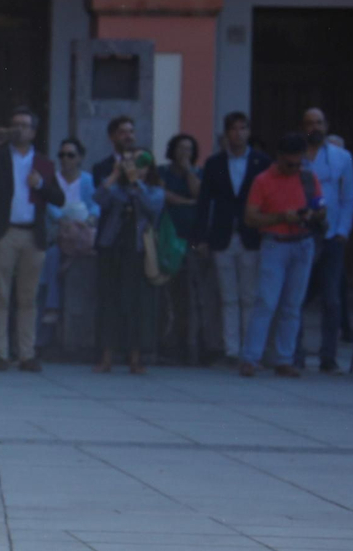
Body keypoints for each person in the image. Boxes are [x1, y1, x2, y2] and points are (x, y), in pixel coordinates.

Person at [0, 107, 65, 371]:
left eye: (24, 125)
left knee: (28, 297)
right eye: (15, 124)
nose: (19, 128)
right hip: (5, 232)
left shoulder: (43, 163)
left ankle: (26, 353)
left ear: (33, 132)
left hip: (33, 234)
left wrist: (41, 185)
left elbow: (59, 198)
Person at [241, 133, 325, 377]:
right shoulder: (263, 180)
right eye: (290, 164)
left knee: (293, 305)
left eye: (299, 164)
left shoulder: (308, 178)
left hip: (302, 243)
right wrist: (280, 217)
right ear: (279, 159)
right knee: (266, 301)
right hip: (275, 243)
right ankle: (251, 357)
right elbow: (250, 217)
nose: (295, 168)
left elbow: (321, 208)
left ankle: (284, 358)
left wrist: (312, 215)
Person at [195, 112, 269, 365]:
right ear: (226, 133)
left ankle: (250, 349)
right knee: (228, 298)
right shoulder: (215, 163)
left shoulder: (261, 162)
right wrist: (200, 239)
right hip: (223, 235)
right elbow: (204, 203)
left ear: (249, 132)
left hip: (250, 234)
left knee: (249, 296)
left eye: (243, 128)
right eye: (234, 129)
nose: (238, 133)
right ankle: (231, 350)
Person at [93, 149, 165, 374]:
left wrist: (137, 184)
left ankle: (135, 357)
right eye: (134, 162)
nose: (138, 167)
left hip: (137, 251)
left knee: (135, 305)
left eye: (143, 163)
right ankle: (106, 357)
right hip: (113, 248)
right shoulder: (118, 189)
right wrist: (116, 174)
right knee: (109, 303)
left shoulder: (154, 189)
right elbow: (99, 198)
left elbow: (153, 207)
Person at [297, 107, 353, 373]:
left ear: (326, 125)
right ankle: (294, 353)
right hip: (302, 234)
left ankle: (328, 356)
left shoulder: (342, 157)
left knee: (332, 299)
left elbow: (348, 197)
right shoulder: (296, 157)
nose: (314, 127)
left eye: (319, 122)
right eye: (310, 123)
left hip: (331, 235)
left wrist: (343, 230)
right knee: (297, 297)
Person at [161, 134, 221, 365]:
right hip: (169, 239)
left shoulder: (199, 173)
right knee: (172, 295)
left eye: (189, 148)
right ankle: (172, 343)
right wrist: (186, 202)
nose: (184, 152)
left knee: (196, 296)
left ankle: (197, 346)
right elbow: (165, 196)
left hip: (194, 240)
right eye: (180, 148)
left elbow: (200, 194)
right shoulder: (163, 172)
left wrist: (188, 171)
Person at [40, 137, 98, 335]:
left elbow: (95, 203)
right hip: (60, 231)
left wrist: (90, 219)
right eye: (62, 155)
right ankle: (52, 306)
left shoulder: (87, 180)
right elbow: (48, 204)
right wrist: (62, 220)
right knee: (53, 256)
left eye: (70, 155)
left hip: (82, 232)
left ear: (80, 158)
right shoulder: (53, 179)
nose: (66, 159)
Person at [92, 115, 136, 185]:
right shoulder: (101, 168)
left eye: (131, 132)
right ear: (112, 137)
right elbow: (99, 194)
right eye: (123, 132)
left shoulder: (143, 162)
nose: (128, 136)